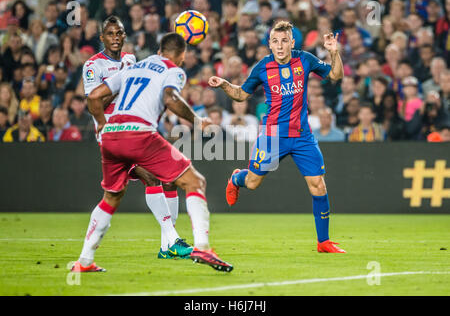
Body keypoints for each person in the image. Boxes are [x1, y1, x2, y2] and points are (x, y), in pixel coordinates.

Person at [72, 32, 233, 273]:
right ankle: (202, 247)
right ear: (182, 55)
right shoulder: (174, 70)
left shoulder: (132, 67)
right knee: (195, 181)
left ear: (159, 51)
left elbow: (94, 96)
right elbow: (170, 98)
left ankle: (84, 261)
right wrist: (197, 120)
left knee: (111, 197)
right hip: (140, 134)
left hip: (111, 135)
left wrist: (102, 124)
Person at [209, 21, 346, 253]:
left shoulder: (305, 59)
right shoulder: (262, 67)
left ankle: (323, 242)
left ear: (292, 43)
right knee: (252, 182)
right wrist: (224, 84)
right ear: (269, 44)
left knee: (318, 185)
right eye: (275, 41)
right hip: (273, 135)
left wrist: (334, 53)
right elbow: (241, 95)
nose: (280, 46)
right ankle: (236, 179)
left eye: (284, 41)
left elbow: (335, 75)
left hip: (302, 135)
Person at [82, 16, 184, 259]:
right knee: (151, 178)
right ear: (102, 38)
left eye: (119, 33)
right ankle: (173, 241)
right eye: (110, 34)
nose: (115, 38)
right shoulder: (93, 66)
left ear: (125, 36)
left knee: (168, 180)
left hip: (137, 128)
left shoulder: (131, 60)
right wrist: (117, 87)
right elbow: (93, 100)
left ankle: (166, 246)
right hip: (112, 134)